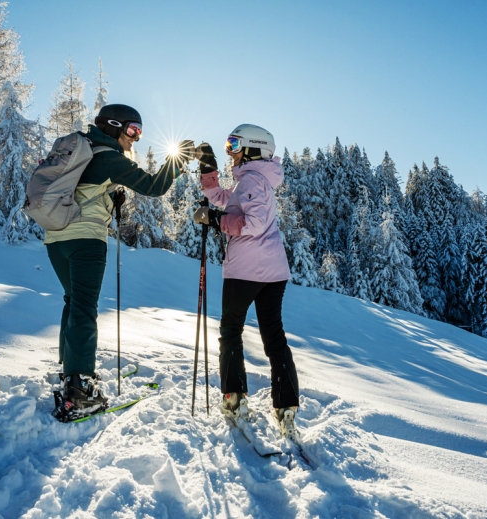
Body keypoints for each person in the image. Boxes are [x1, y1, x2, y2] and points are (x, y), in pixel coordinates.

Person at [46, 103, 194, 420]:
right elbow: (155, 187)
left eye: (139, 131)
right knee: (84, 307)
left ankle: (70, 374)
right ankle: (79, 391)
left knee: (73, 302)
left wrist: (108, 196)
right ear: (113, 126)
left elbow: (83, 189)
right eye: (132, 130)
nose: (136, 138)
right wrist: (177, 161)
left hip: (56, 241)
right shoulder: (108, 156)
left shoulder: (82, 153)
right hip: (86, 240)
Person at [193, 124, 301, 438]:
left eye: (234, 143)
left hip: (246, 271)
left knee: (231, 331)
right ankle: (286, 405)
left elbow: (251, 223)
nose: (230, 150)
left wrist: (214, 220)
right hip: (273, 272)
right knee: (273, 336)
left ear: (254, 147)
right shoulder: (256, 179)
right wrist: (209, 173)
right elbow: (225, 198)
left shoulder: (252, 180)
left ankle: (235, 397)